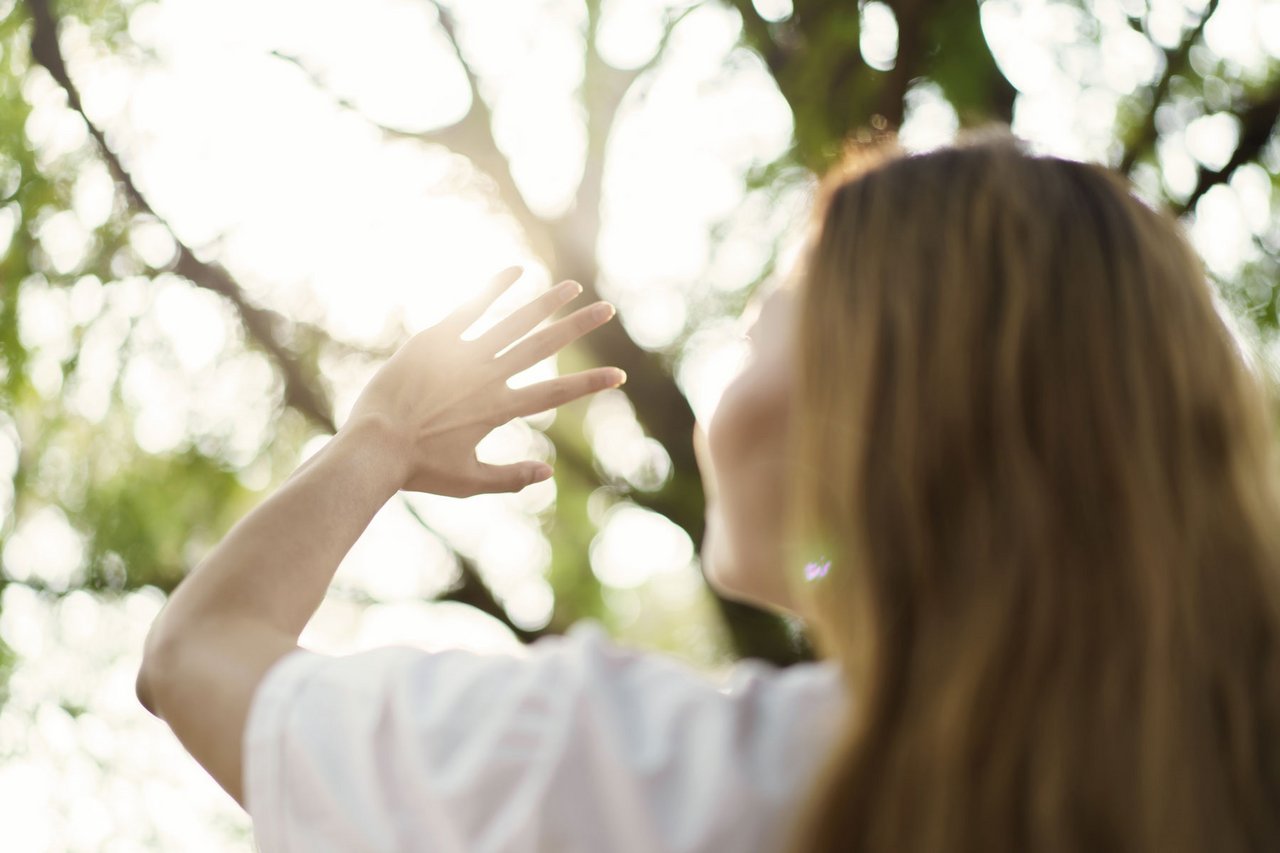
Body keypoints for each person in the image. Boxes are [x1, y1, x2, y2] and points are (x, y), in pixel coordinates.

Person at [136, 132, 1280, 852]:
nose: (728, 358)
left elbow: (196, 656)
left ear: (875, 399)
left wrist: (376, 436)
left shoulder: (626, 778)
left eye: (765, 314)